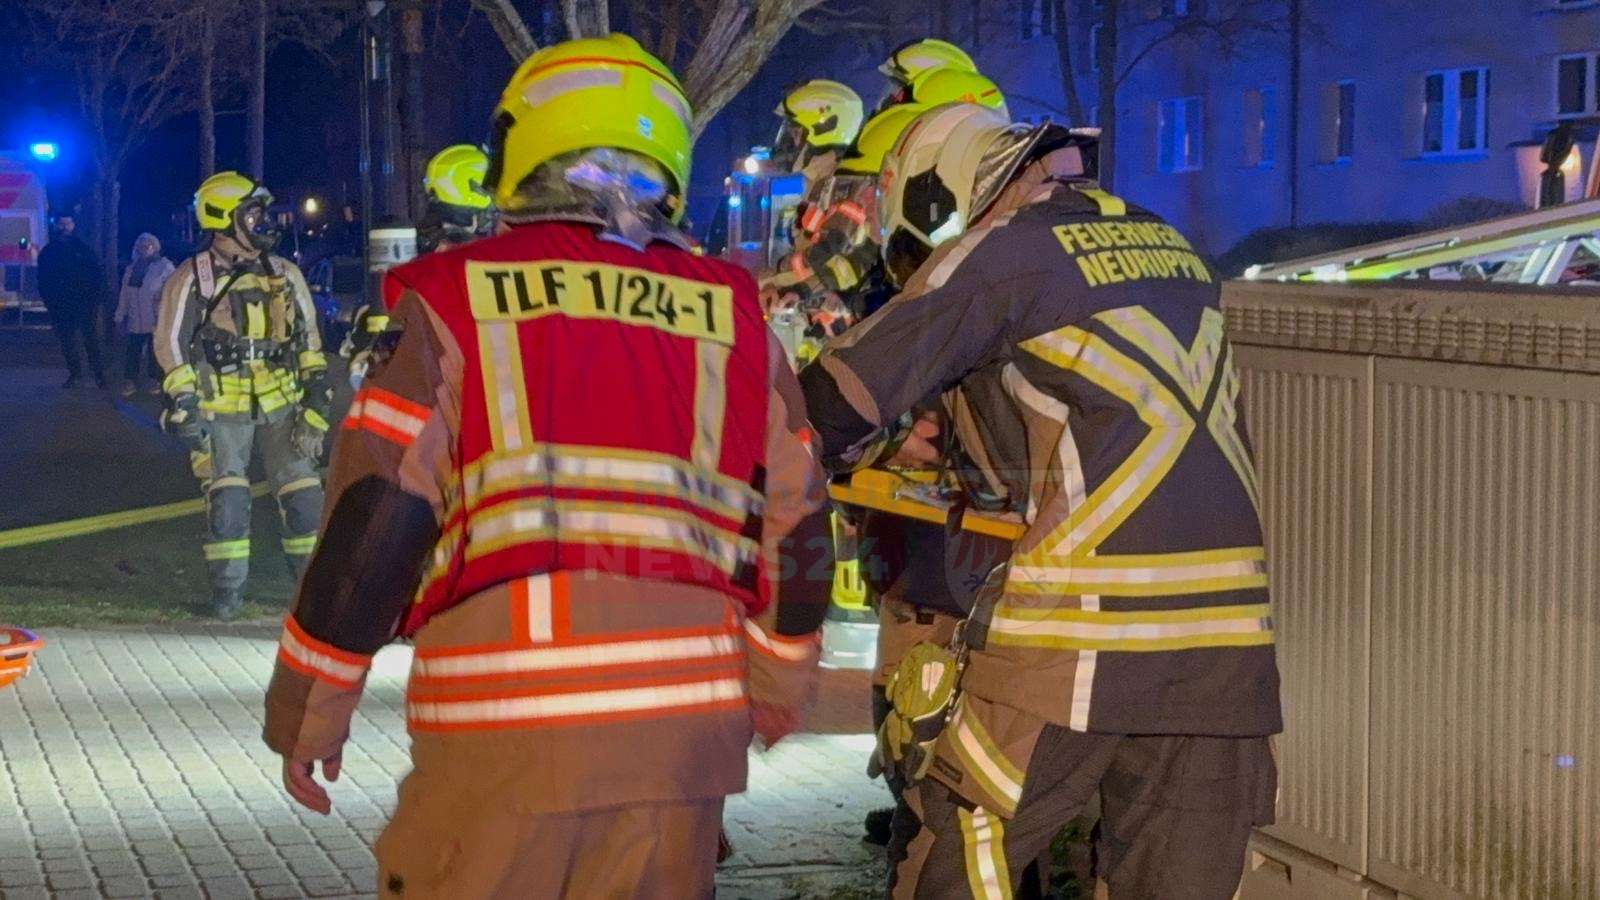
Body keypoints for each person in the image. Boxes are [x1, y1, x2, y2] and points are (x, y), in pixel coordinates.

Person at [261, 35, 832, 898]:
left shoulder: (452, 299)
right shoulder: (737, 317)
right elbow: (799, 521)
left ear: (522, 150)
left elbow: (376, 519)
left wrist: (311, 708)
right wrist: (779, 682)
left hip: (503, 737)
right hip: (680, 748)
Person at [800, 103, 1282, 898]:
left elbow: (830, 400)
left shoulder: (1004, 248)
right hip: (1227, 648)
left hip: (1074, 636)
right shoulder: (1172, 247)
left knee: (957, 862)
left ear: (940, 200)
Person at [154, 172, 329, 620]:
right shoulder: (192, 277)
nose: (262, 222)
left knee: (305, 498)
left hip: (281, 403)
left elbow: (308, 338)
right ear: (222, 218)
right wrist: (184, 399)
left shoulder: (284, 273)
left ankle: (312, 595)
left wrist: (316, 399)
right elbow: (169, 342)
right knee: (228, 501)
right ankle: (227, 596)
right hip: (220, 406)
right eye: (252, 214)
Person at [36, 215, 109, 389]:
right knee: (67, 343)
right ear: (56, 226)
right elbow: (43, 279)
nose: (64, 227)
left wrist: (94, 300)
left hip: (84, 305)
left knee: (90, 340)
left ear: (73, 225)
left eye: (67, 223)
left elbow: (96, 276)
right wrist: (50, 302)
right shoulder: (49, 251)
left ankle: (99, 375)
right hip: (60, 306)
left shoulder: (84, 249)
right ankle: (75, 374)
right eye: (61, 223)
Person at [114, 232, 175, 397]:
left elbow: (172, 291)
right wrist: (120, 316)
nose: (145, 249)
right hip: (136, 319)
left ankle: (155, 379)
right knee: (132, 350)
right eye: (141, 246)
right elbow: (124, 295)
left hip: (155, 318)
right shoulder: (131, 269)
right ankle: (130, 380)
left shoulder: (165, 267)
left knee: (154, 351)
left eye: (148, 245)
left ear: (155, 247)